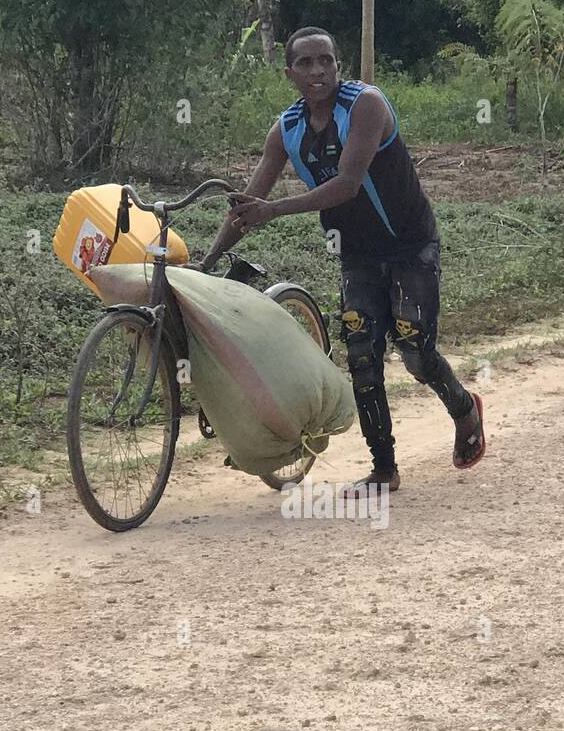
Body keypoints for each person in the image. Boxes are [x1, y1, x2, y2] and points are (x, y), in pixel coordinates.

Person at [200, 26, 486, 492]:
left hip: (410, 243)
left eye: (327, 61)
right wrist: (208, 262)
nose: (319, 71)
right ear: (289, 72)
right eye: (307, 63)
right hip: (356, 252)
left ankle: (464, 407)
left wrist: (274, 210)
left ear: (338, 65)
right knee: (361, 354)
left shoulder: (365, 105)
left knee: (415, 351)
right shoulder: (287, 130)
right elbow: (247, 205)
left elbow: (347, 184)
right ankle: (384, 468)